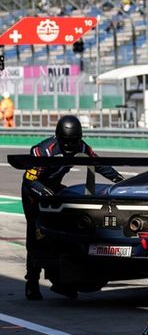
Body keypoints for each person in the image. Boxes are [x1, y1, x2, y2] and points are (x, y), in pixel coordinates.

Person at [20, 116, 124, 300]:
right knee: (36, 235)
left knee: (65, 229)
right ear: (58, 137)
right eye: (65, 141)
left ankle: (63, 280)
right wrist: (44, 193)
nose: (69, 145)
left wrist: (120, 180)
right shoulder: (43, 151)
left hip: (55, 189)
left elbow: (98, 164)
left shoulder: (82, 147)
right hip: (34, 193)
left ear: (79, 138)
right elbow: (29, 179)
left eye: (73, 141)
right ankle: (32, 282)